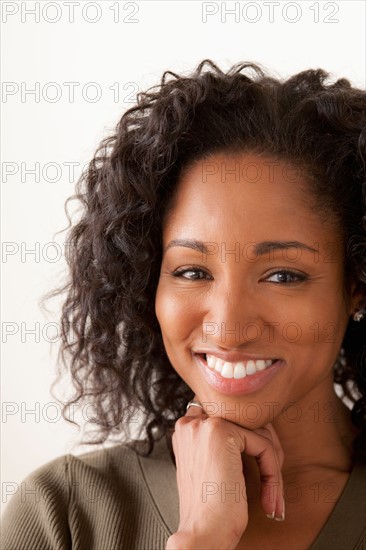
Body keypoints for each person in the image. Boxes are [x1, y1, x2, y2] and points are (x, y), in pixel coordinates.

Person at [2, 59, 366, 550]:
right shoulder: (65, 511)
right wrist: (202, 537)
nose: (230, 328)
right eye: (192, 272)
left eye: (283, 275)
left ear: (356, 285)